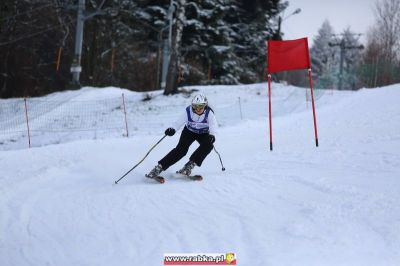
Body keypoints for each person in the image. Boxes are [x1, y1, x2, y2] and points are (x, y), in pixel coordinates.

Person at [146, 93, 218, 179]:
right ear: (192, 106)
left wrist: (212, 136)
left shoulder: (209, 114)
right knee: (181, 150)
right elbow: (178, 122)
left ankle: (189, 166)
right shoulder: (188, 111)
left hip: (203, 134)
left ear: (205, 106)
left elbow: (214, 127)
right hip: (189, 132)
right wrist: (172, 129)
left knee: (208, 146)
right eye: (195, 106)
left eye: (201, 106)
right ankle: (159, 167)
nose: (198, 109)